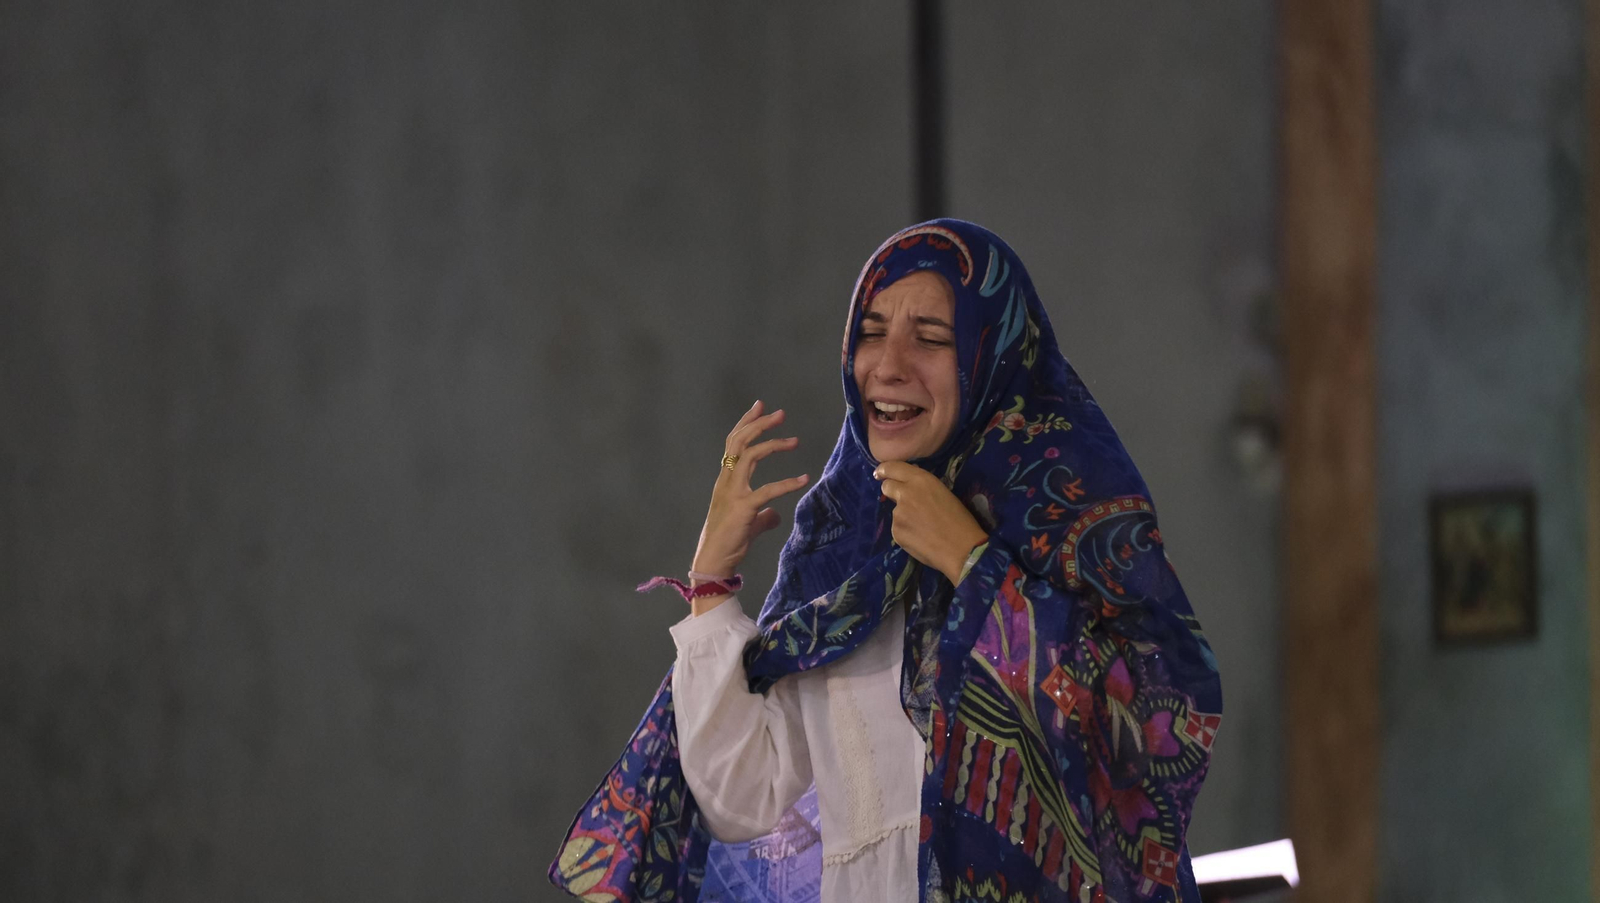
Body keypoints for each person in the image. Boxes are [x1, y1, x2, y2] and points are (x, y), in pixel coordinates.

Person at [550, 219, 1223, 903]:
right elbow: (742, 798)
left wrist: (975, 565)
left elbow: (1155, 740)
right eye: (871, 331)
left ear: (994, 359)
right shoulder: (837, 550)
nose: (889, 364)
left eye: (931, 338)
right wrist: (712, 588)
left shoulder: (1074, 524)